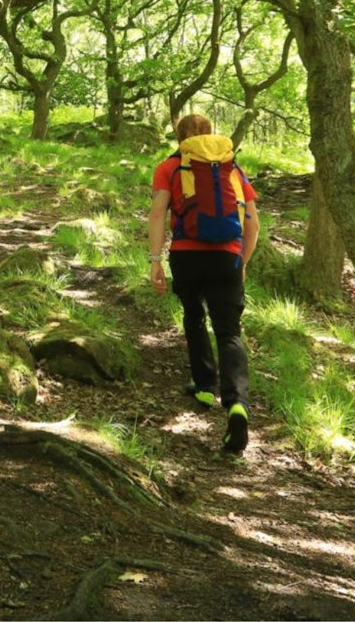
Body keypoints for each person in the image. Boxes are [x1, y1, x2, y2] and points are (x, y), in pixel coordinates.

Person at [147, 114, 260, 454]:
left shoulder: (169, 167)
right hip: (227, 257)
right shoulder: (232, 169)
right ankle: (237, 402)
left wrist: (155, 261)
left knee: (194, 316)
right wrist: (242, 262)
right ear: (211, 134)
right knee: (229, 332)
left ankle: (204, 386)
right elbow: (253, 223)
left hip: (187, 255)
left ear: (179, 138)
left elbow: (157, 215)